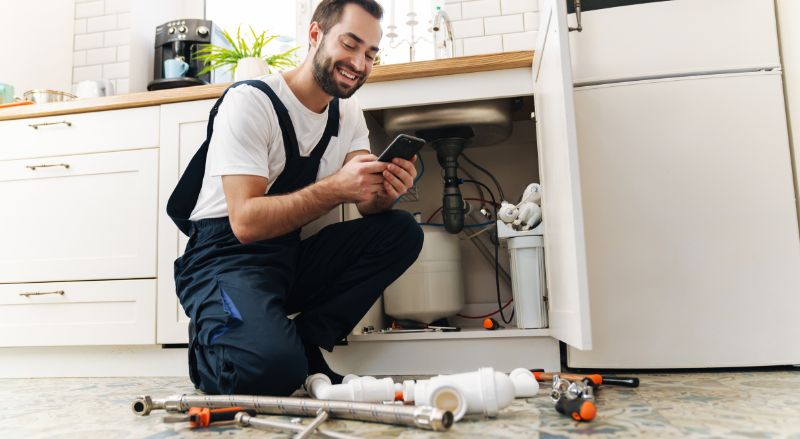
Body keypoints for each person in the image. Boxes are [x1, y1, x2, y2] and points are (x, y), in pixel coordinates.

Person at [166, 0, 423, 396]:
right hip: (223, 258)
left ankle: (305, 340)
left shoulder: (348, 113)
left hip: (287, 257)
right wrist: (337, 186)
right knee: (271, 373)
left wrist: (387, 188)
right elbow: (246, 222)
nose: (359, 63)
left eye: (371, 54)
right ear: (315, 34)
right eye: (350, 45)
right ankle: (213, 344)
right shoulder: (251, 102)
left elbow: (367, 203)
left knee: (401, 231)